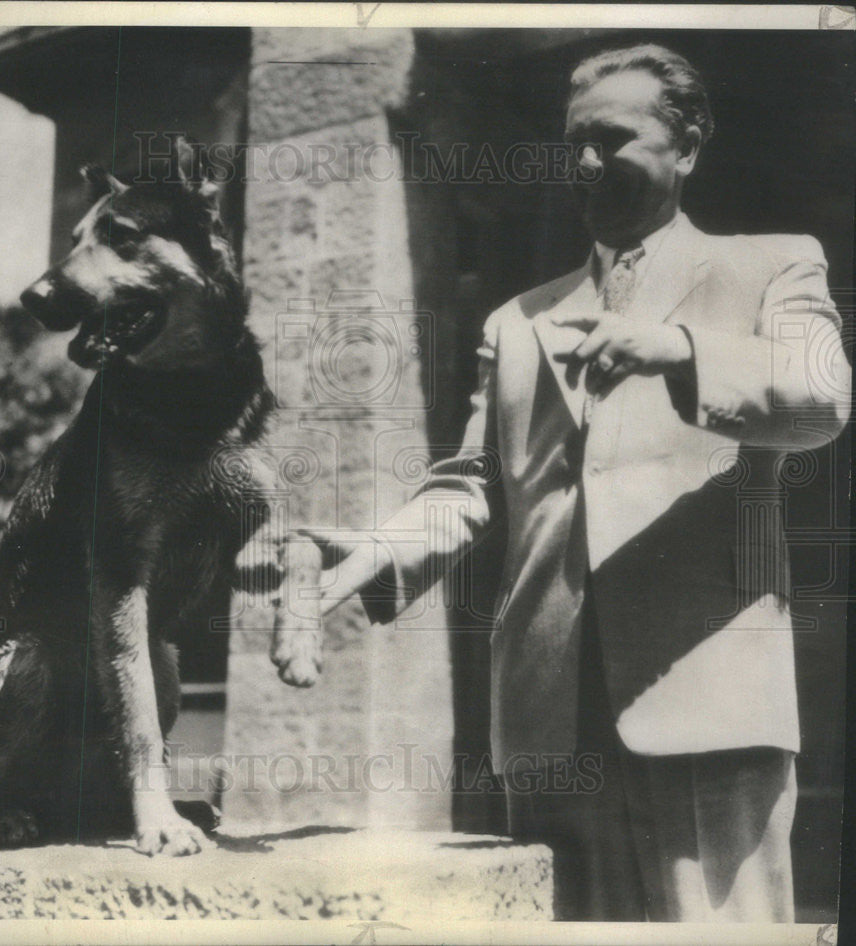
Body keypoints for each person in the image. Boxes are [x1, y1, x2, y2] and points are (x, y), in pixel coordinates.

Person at [305, 44, 850, 921]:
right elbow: (474, 485)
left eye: (613, 137)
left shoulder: (773, 265)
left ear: (689, 145)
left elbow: (823, 398)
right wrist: (382, 546)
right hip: (550, 711)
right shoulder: (519, 321)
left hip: (707, 693)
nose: (586, 163)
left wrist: (680, 350)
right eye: (573, 144)